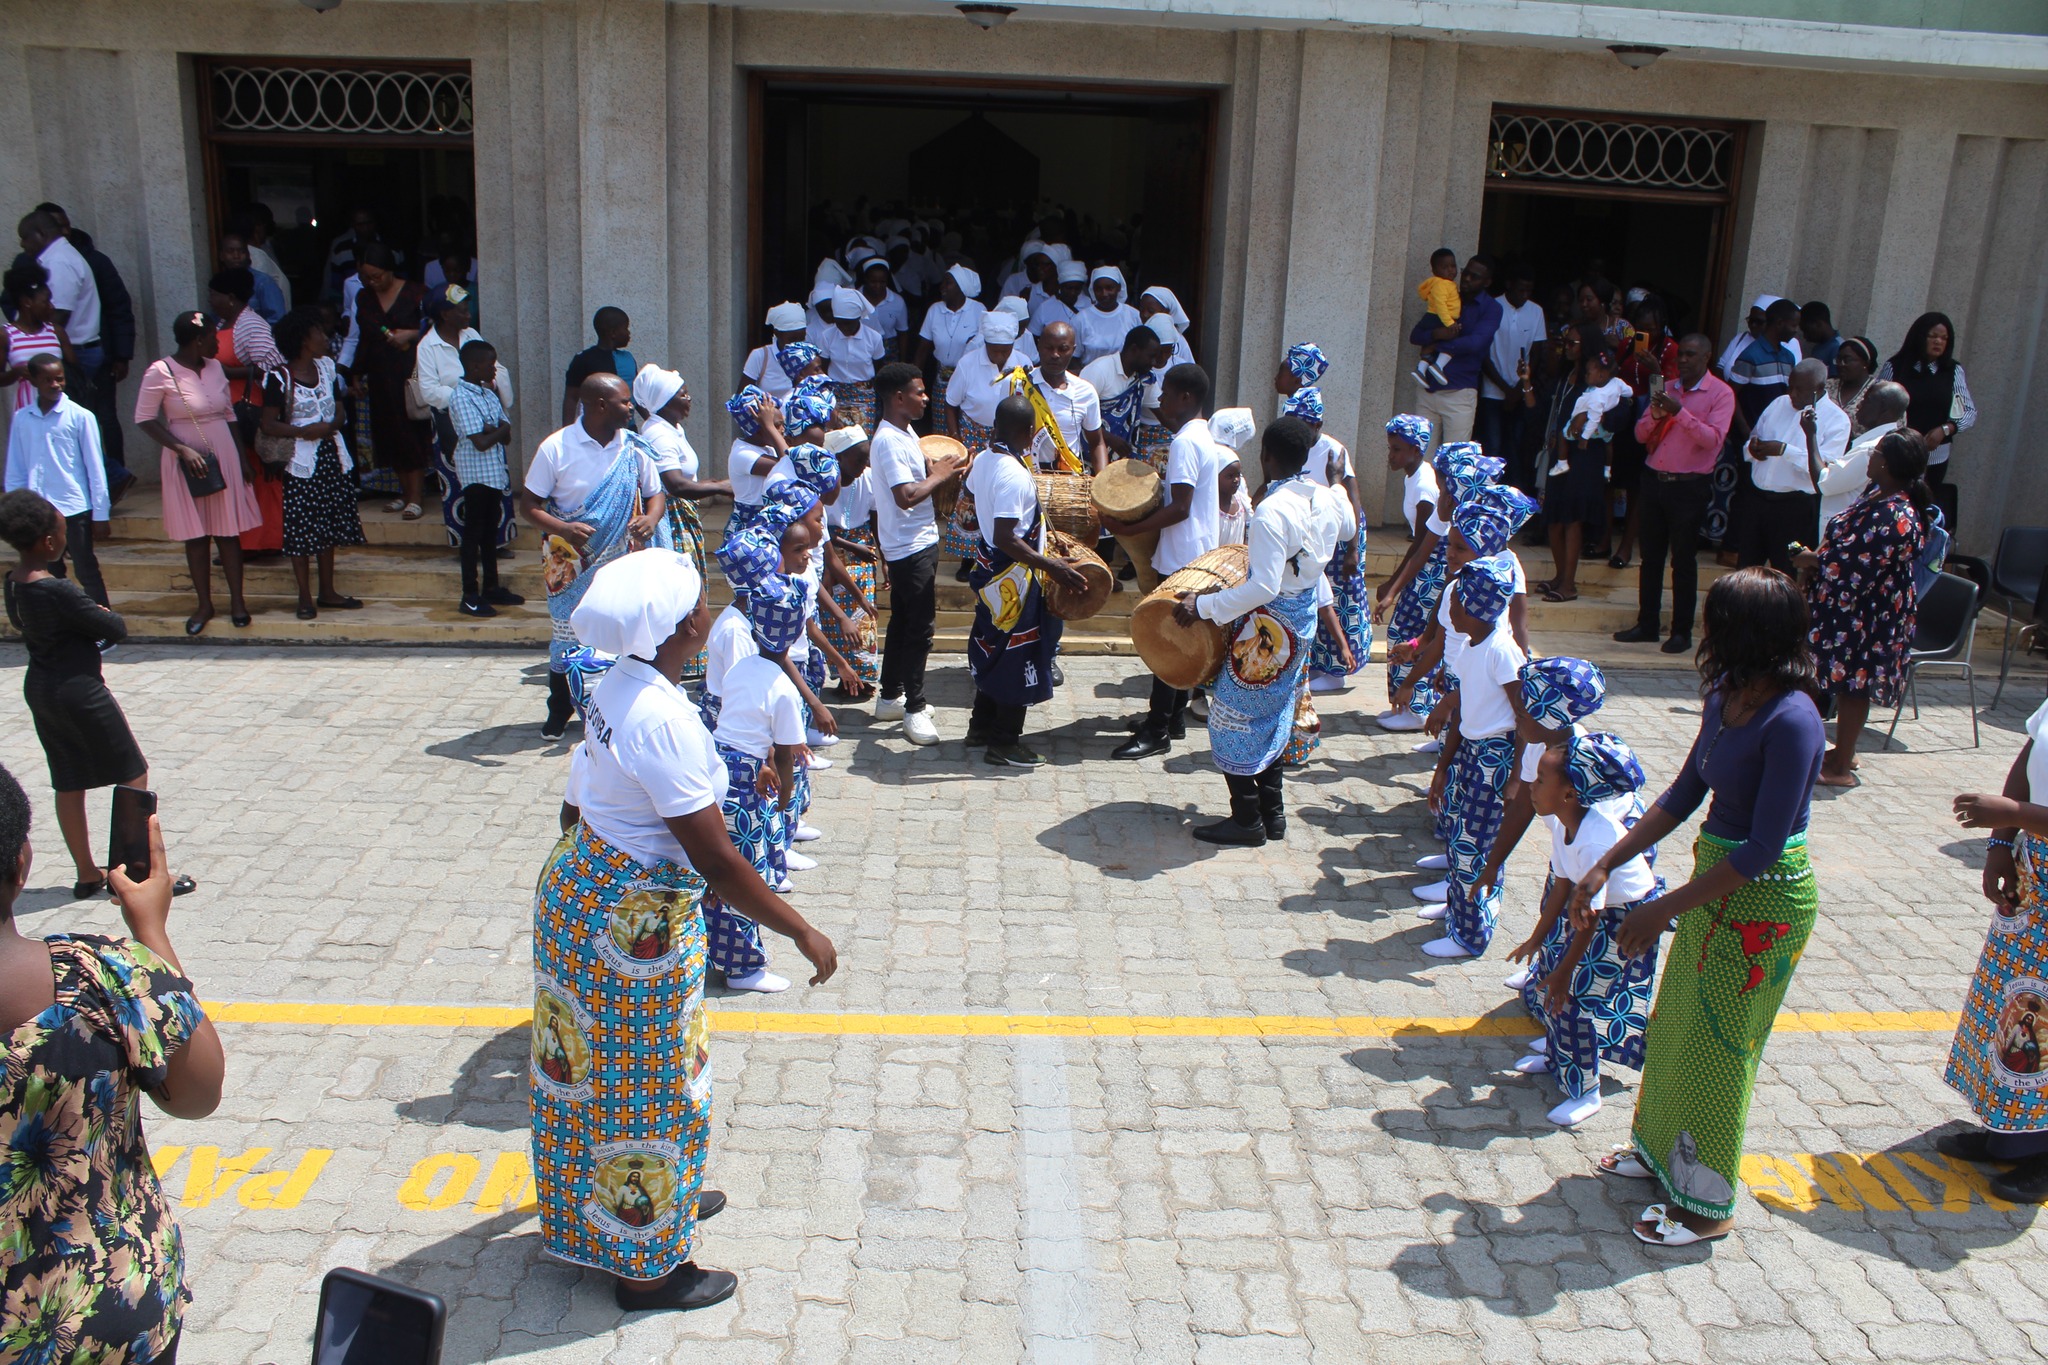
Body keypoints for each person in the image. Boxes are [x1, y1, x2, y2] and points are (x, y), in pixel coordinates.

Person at [541, 549, 837, 1313]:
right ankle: (647, 1267)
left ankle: (645, 1201)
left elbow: (587, 790)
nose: (710, 611)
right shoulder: (664, 719)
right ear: (686, 627)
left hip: (584, 887)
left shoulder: (618, 683)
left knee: (594, 1076)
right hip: (629, 921)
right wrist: (803, 931)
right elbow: (718, 862)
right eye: (700, 604)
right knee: (644, 1083)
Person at [1574, 568, 1824, 1246]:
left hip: (1762, 904)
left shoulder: (1794, 718)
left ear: (1745, 632)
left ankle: (1708, 1205)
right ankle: (1661, 1155)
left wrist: (1662, 907)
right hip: (1714, 884)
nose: (1703, 631)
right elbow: (1683, 793)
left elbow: (1764, 848)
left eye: (1714, 620)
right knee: (1680, 1022)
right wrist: (1610, 858)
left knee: (1722, 1050)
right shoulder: (1727, 694)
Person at [0, 768, 223, 1359]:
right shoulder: (99, 973)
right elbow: (198, 1093)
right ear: (21, 865)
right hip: (112, 1312)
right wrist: (149, 927)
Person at [1168, 414, 1351, 844]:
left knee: (1230, 716)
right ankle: (1274, 813)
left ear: (1266, 456)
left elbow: (1264, 586)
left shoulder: (1271, 510)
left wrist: (1204, 605)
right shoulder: (1328, 498)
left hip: (1271, 628)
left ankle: (1248, 820)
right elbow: (1350, 526)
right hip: (1303, 618)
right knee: (1273, 712)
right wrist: (1339, 482)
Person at [0, 493, 173, 901]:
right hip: (81, 690)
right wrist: (94, 609)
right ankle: (133, 874)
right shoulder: (59, 590)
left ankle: (86, 872)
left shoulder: (13, 582)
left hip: (42, 687)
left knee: (69, 780)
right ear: (48, 542)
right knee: (132, 772)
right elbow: (114, 628)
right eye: (62, 530)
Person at [1505, 733, 1662, 1128]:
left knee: (1573, 1000)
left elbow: (1590, 921)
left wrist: (1565, 971)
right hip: (1590, 914)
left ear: (1571, 794)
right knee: (1549, 988)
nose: (1533, 786)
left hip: (1622, 921)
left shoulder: (1596, 839)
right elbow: (1562, 883)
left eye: (1541, 780)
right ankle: (1558, 1058)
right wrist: (1538, 938)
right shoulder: (1562, 823)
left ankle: (1586, 1091)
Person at [703, 498, 820, 992]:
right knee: (742, 876)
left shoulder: (753, 664)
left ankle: (727, 949)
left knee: (731, 869)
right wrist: (787, 804)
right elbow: (792, 757)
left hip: (727, 767)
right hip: (748, 781)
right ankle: (743, 967)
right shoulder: (776, 683)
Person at [517, 373, 670, 738]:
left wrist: (650, 518)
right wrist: (563, 528)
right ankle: (559, 710)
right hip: (568, 557)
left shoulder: (633, 447)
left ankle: (617, 710)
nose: (631, 407)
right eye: (625, 401)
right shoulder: (556, 447)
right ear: (600, 405)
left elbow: (656, 493)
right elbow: (528, 505)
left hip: (620, 554)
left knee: (620, 633)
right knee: (566, 634)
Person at [1945, 705, 2048, 1204]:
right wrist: (2000, 843)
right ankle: (2012, 1132)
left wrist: (2014, 815)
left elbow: (2019, 801)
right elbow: (2029, 762)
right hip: (2036, 873)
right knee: (2011, 1008)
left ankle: (2041, 1153)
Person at [1793, 429, 1930, 788]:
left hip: (1868, 617)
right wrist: (1818, 559)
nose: (1868, 458)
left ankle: (1840, 768)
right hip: (1844, 610)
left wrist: (1812, 561)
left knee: (1854, 684)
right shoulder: (1876, 494)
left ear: (1886, 463)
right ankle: (1841, 751)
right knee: (1837, 680)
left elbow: (1857, 569)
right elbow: (1844, 545)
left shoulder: (1898, 515)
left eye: (1875, 453)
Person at [1103, 364, 1227, 759]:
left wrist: (1129, 526)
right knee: (1177, 635)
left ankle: (1157, 731)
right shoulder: (1201, 436)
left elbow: (1180, 508)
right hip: (1195, 548)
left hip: (1181, 552)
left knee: (1166, 641)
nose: (1162, 401)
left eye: (1169, 393)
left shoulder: (1186, 443)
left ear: (1187, 398)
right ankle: (1171, 718)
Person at [963, 395, 1090, 767]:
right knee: (1016, 656)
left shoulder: (984, 460)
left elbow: (971, 504)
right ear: (1029, 432)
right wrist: (1052, 566)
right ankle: (1004, 742)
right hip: (1013, 578)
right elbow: (1006, 536)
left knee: (994, 648)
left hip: (991, 571)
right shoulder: (1014, 474)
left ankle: (980, 727)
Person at [1422, 558, 1528, 958]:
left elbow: (1523, 717)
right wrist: (1444, 767)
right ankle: (1458, 907)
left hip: (1495, 759)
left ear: (1475, 610)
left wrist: (1516, 778)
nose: (1448, 611)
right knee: (1458, 835)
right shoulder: (1471, 647)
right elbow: (1463, 708)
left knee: (1474, 846)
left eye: (1455, 604)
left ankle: (1471, 935)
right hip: (1469, 751)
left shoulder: (1503, 653)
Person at [134, 310, 263, 634]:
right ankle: (204, 604)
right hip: (186, 458)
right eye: (212, 338)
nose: (218, 345)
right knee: (197, 535)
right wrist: (181, 449)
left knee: (228, 532)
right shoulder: (160, 371)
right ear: (198, 340)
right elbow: (145, 419)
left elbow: (229, 413)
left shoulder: (217, 367)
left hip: (224, 453)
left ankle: (238, 602)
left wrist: (242, 459)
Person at [1612, 333, 1733, 655]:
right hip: (1654, 479)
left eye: (1691, 355)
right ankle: (1647, 625)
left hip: (1689, 485)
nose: (1683, 360)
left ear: (1706, 357)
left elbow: (1712, 440)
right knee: (1650, 557)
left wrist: (1679, 413)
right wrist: (1655, 416)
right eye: (1681, 355)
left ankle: (1681, 632)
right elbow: (1639, 435)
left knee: (1683, 560)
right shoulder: (1666, 389)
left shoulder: (1721, 394)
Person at [870, 361, 960, 745]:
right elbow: (905, 497)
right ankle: (915, 708)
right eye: (920, 392)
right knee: (920, 629)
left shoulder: (904, 431)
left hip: (918, 540)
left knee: (904, 621)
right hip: (909, 545)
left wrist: (936, 468)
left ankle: (891, 695)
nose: (926, 398)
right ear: (898, 397)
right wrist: (939, 475)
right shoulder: (888, 440)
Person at [17, 210, 129, 498]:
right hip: (76, 349)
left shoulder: (60, 262)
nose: (22, 246)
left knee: (73, 424)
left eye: (24, 238)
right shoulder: (56, 259)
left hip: (74, 351)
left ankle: (113, 476)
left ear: (40, 235)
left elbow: (58, 317)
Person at [1279, 387, 1369, 695]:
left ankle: (1337, 671)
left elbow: (1352, 499)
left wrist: (1353, 549)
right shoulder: (1293, 446)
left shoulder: (1333, 450)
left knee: (1334, 602)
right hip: (1310, 530)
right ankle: (1315, 665)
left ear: (1316, 425)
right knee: (1311, 598)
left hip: (1341, 531)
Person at [414, 283, 517, 553]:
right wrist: (466, 397)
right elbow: (428, 390)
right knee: (462, 485)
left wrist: (490, 386)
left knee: (494, 481)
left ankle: (495, 542)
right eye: (462, 310)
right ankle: (468, 546)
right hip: (452, 423)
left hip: (486, 417)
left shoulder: (471, 334)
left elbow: (493, 369)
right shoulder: (428, 346)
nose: (468, 314)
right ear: (445, 314)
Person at [5, 355, 109, 607]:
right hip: (40, 513)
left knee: (86, 568)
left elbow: (95, 467)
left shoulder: (80, 416)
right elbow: (16, 467)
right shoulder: (22, 418)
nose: (55, 385)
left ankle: (103, 624)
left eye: (59, 378)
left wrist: (100, 513)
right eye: (48, 380)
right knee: (50, 571)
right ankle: (61, 623)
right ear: (33, 381)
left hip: (74, 508)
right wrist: (16, 508)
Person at [339, 244, 433, 519]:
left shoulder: (416, 293)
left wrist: (411, 335)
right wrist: (355, 372)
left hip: (409, 372)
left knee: (410, 433)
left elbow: (435, 327)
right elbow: (364, 338)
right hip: (380, 373)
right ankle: (403, 494)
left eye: (377, 275)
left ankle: (416, 496)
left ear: (390, 270)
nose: (372, 281)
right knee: (388, 434)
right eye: (367, 276)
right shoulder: (365, 298)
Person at [1737, 358, 1849, 572]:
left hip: (1793, 508)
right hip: (1757, 501)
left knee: (1785, 572)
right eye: (1791, 387)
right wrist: (1753, 449)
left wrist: (1784, 450)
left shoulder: (1837, 420)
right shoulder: (1779, 403)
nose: (1792, 394)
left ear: (1818, 389)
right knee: (1746, 569)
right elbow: (1754, 437)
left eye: (1800, 390)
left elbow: (1825, 470)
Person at [208, 267, 287, 557]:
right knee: (237, 475)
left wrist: (229, 372)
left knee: (258, 476)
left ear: (230, 297)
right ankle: (244, 541)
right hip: (226, 416)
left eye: (214, 293)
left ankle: (267, 540)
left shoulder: (250, 325)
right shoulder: (221, 323)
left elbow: (275, 366)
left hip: (249, 411)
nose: (210, 298)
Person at [1536, 330, 1614, 605]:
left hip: (1583, 457)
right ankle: (1559, 577)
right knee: (1555, 519)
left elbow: (1610, 417)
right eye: (1564, 341)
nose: (1565, 347)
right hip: (1560, 454)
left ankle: (1569, 584)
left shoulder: (1598, 381)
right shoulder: (1568, 376)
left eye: (1572, 343)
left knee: (1572, 519)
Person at [1373, 414, 1440, 732]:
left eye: (1397, 450)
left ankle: (1416, 709)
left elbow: (1421, 546)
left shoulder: (1426, 486)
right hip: (1423, 568)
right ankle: (1404, 705)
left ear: (1416, 450)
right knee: (1404, 632)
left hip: (1431, 571)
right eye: (1389, 449)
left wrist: (1392, 586)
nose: (1390, 456)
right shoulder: (1414, 475)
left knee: (1409, 634)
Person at [1408, 256, 1500, 459]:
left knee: (1453, 462)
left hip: (1459, 393)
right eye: (1465, 272)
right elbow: (1415, 335)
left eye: (1474, 277)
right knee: (1420, 462)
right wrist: (1436, 334)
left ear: (1487, 282)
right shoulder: (1447, 296)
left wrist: (1436, 344)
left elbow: (1477, 343)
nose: (1466, 279)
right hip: (1428, 389)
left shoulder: (1491, 308)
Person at [1879, 311, 1974, 500]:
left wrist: (1946, 429)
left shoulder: (1953, 371)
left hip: (1934, 458)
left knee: (1922, 506)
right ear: (1920, 336)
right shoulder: (1895, 367)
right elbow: (1877, 406)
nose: (1938, 342)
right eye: (1933, 336)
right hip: (1896, 454)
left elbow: (1968, 412)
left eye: (1944, 338)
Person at [820, 425, 880, 699]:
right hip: (833, 550)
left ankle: (865, 676)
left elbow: (875, 517)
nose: (864, 465)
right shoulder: (824, 482)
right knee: (837, 618)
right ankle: (846, 678)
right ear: (839, 458)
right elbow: (821, 531)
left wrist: (883, 559)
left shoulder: (867, 478)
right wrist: (850, 545)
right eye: (858, 459)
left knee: (865, 619)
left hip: (862, 549)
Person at [1477, 264, 1546, 483]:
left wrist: (1517, 390)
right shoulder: (1492, 306)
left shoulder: (1536, 311)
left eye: (1528, 291)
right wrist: (1506, 389)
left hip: (1520, 392)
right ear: (1509, 285)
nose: (1524, 296)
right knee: (1493, 446)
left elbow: (1536, 353)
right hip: (1493, 391)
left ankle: (1511, 496)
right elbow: (1483, 355)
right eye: (1520, 290)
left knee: (1515, 445)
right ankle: (1488, 492)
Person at [1817, 379, 1909, 529]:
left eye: (1867, 401)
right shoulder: (1882, 442)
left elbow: (1824, 483)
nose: (1859, 405)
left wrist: (1810, 436)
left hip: (1846, 531)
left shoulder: (1871, 449)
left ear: (1885, 412)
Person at [1027, 321, 1106, 473]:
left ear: (1073, 350)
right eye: (1049, 348)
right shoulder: (1018, 385)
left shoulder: (1086, 392)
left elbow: (1096, 443)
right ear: (1038, 346)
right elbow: (1000, 436)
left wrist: (1101, 486)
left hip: (1067, 481)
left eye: (1063, 349)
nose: (1055, 355)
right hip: (1025, 479)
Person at [944, 311, 1022, 448]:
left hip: (1010, 437)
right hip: (972, 437)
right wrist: (957, 441)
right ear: (985, 343)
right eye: (994, 351)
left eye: (1005, 351)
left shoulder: (1022, 363)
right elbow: (950, 404)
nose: (999, 356)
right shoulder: (967, 364)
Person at [3, 261, 72, 410]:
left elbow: (75, 371)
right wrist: (18, 372)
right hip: (26, 410)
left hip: (59, 410)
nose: (51, 307)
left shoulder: (56, 332)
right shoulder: (6, 335)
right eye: (46, 301)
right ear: (27, 302)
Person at [914, 265, 988, 398]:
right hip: (941, 380)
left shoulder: (978, 310)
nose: (942, 287)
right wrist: (914, 380)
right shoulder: (935, 310)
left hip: (969, 380)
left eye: (948, 283)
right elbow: (923, 349)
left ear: (961, 287)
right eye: (943, 282)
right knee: (940, 418)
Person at [819, 288, 887, 431]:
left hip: (864, 395)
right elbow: (823, 368)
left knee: (862, 440)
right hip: (836, 394)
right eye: (840, 323)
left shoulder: (874, 338)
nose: (845, 327)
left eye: (849, 323)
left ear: (858, 319)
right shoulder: (827, 336)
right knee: (837, 439)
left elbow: (879, 368)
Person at [562, 307, 638, 427]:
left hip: (628, 427)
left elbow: (637, 395)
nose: (628, 333)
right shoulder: (584, 359)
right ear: (613, 333)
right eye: (625, 328)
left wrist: (650, 419)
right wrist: (566, 430)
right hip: (597, 430)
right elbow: (571, 397)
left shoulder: (628, 358)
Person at [1412, 247, 1462, 390]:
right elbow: (1441, 305)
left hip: (1437, 317)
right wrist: (1449, 323)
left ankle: (1421, 369)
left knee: (1434, 345)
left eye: (1453, 266)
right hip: (1439, 318)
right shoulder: (1442, 284)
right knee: (1454, 339)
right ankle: (1438, 366)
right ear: (1435, 270)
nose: (1451, 270)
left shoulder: (1445, 283)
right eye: (1445, 267)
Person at [1073, 266, 1142, 366]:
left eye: (1109, 288)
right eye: (1098, 289)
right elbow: (1074, 357)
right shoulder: (1081, 319)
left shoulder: (1133, 315)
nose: (1104, 294)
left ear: (1118, 288)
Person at [741, 302, 809, 401]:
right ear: (777, 334)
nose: (797, 345)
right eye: (792, 339)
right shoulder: (760, 356)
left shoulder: (810, 356)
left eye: (802, 339)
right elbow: (742, 396)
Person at [219, 231, 286, 325]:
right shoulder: (219, 285)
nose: (236, 256)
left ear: (248, 255)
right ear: (221, 256)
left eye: (241, 251)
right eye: (230, 251)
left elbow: (277, 320)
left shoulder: (263, 282)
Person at [1826, 336, 1881, 439]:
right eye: (1838, 359)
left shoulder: (1878, 392)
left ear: (1865, 363)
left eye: (1847, 360)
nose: (1840, 364)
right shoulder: (1827, 386)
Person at [1137, 286, 1196, 368]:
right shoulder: (1136, 334)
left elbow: (1190, 370)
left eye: (1151, 311)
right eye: (1142, 309)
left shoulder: (1180, 341)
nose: (1145, 315)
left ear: (1166, 312)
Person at [1799, 300, 1842, 374]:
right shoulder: (1818, 347)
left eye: (1806, 330)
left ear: (1818, 324)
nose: (1805, 336)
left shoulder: (1838, 347)